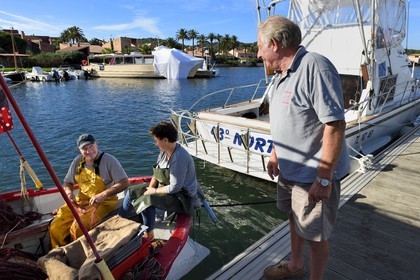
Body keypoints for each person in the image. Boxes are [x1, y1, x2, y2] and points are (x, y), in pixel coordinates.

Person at [257, 16, 350, 280]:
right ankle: (295, 265)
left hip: (313, 176)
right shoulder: (280, 76)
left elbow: (335, 125)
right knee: (293, 218)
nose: (258, 53)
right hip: (289, 171)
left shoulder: (315, 67)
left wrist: (323, 177)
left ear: (274, 44)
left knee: (316, 235)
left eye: (260, 46)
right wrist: (276, 154)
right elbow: (286, 120)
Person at [118, 121, 199, 240]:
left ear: (165, 140)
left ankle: (149, 233)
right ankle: (120, 220)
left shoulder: (179, 158)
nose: (155, 144)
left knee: (148, 200)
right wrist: (149, 188)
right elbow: (156, 173)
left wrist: (153, 192)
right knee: (131, 191)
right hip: (166, 186)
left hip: (182, 197)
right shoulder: (164, 152)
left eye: (157, 140)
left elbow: (174, 188)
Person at [49, 134, 129, 248]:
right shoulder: (77, 161)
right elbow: (67, 182)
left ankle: (79, 255)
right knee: (55, 227)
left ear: (96, 143)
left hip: (104, 202)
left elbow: (124, 182)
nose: (89, 151)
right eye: (84, 149)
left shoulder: (109, 160)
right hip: (80, 201)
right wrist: (69, 193)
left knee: (78, 227)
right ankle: (60, 253)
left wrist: (104, 194)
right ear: (79, 150)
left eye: (91, 146)